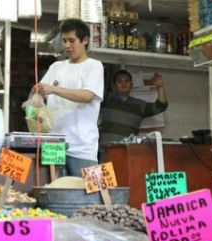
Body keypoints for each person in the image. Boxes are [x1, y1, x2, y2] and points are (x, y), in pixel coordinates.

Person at [33, 19, 104, 177]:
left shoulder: (94, 66)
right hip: (53, 144)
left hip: (83, 148)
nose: (67, 45)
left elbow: (87, 96)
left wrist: (54, 89)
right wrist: (33, 101)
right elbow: (39, 92)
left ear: (85, 40)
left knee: (87, 191)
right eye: (64, 41)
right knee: (52, 189)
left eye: (72, 40)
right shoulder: (55, 67)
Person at [99, 70, 168, 148]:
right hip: (106, 150)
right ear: (114, 86)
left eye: (126, 81)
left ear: (131, 84)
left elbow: (161, 106)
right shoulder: (106, 100)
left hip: (129, 151)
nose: (123, 84)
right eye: (119, 81)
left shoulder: (139, 105)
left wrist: (160, 87)